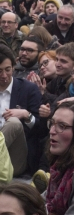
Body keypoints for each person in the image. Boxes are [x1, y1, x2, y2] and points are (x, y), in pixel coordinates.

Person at [0, 45, 42, 175]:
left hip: (16, 157)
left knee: (13, 123)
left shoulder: (28, 89)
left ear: (14, 67)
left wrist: (26, 114)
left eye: (8, 69)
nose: (4, 75)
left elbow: (40, 130)